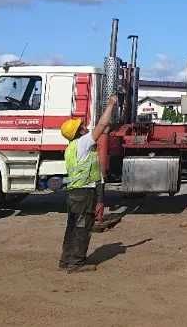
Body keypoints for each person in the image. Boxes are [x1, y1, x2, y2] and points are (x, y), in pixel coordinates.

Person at [58, 95, 118, 273]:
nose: (85, 128)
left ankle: (65, 260)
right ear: (79, 132)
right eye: (82, 127)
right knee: (83, 228)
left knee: (72, 227)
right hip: (84, 194)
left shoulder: (71, 148)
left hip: (75, 193)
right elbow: (100, 126)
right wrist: (111, 105)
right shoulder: (82, 143)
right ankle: (76, 263)